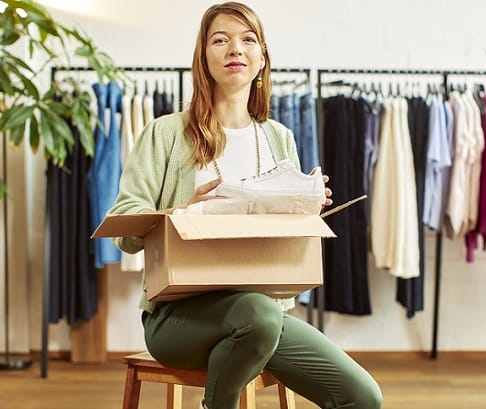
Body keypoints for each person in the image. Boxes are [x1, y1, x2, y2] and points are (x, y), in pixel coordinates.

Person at [107, 2, 383, 408]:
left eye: (247, 39)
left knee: (363, 398)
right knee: (257, 315)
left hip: (263, 317)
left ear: (262, 57)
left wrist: (304, 207)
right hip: (177, 319)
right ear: (203, 56)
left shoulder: (279, 138)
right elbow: (124, 232)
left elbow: (284, 237)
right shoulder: (165, 133)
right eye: (220, 40)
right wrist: (182, 211)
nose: (235, 48)